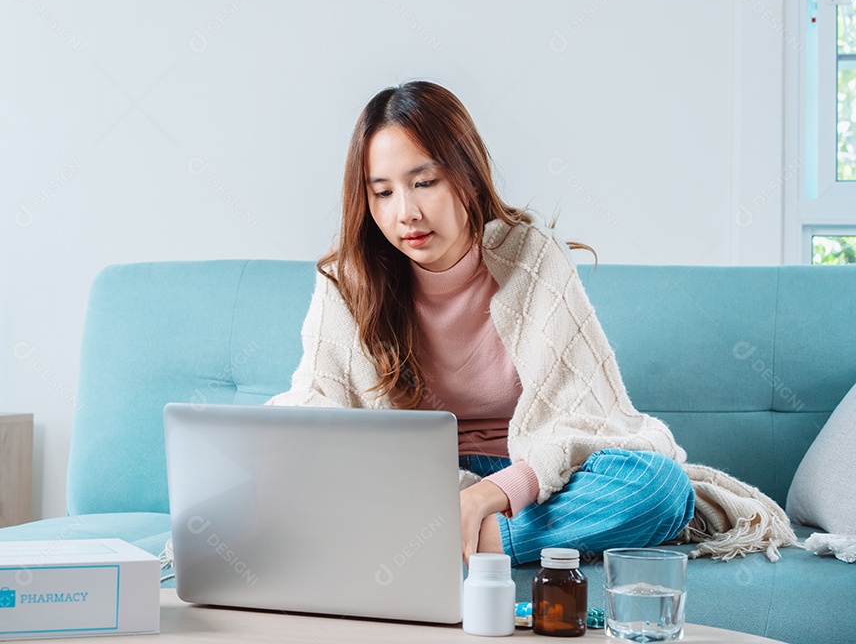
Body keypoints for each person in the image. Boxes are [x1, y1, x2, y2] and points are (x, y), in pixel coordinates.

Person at [265, 80, 796, 565]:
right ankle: (446, 533)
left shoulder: (530, 257)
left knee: (659, 488)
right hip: (413, 486)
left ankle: (458, 542)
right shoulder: (348, 278)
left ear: (466, 176)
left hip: (531, 481)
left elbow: (589, 420)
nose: (405, 212)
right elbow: (322, 410)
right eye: (382, 192)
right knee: (277, 473)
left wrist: (493, 495)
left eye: (423, 182)